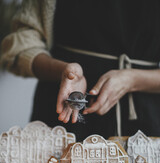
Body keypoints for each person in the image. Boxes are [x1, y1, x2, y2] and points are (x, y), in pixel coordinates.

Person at [1, 0, 160, 141]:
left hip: (148, 122)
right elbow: (22, 43)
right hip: (63, 113)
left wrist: (133, 80)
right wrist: (64, 70)